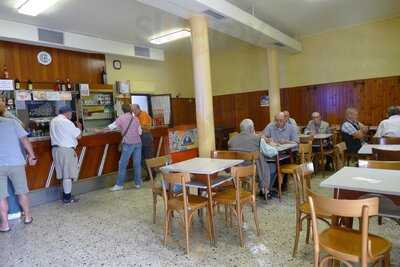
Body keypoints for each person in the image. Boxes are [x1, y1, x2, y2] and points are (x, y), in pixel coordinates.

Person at [0, 102, 37, 232]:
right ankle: (27, 216)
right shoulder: (12, 122)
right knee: (21, 191)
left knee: (1, 196)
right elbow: (25, 140)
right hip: (16, 162)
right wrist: (32, 156)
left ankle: (5, 225)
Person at [228, 119, 277, 199]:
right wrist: (272, 145)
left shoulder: (231, 140)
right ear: (251, 128)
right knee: (272, 167)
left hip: (237, 169)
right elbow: (271, 152)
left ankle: (261, 189)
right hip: (254, 170)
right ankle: (265, 190)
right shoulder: (257, 139)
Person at [50, 106, 82, 204]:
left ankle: (66, 195)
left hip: (56, 150)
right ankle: (67, 198)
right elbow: (79, 136)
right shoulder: (67, 122)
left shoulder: (53, 121)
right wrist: (79, 127)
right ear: (67, 113)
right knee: (67, 175)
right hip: (66, 150)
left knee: (63, 174)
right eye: (71, 113)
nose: (71, 115)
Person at [110, 104, 142, 191]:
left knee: (122, 164)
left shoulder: (121, 118)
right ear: (130, 110)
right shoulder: (136, 118)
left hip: (128, 143)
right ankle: (138, 183)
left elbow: (111, 127)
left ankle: (119, 184)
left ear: (122, 110)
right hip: (138, 143)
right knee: (137, 164)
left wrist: (99, 130)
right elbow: (140, 132)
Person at [131, 104, 154, 177]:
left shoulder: (143, 114)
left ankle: (151, 174)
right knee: (141, 158)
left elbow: (144, 126)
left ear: (138, 109)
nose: (133, 112)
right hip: (139, 138)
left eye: (134, 110)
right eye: (132, 110)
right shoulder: (135, 117)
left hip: (146, 137)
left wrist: (136, 125)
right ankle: (150, 173)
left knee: (148, 157)